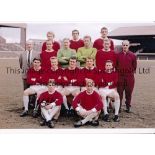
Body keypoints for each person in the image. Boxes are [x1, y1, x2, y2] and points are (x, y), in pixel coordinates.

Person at [116, 40, 137, 113]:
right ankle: (118, 107)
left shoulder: (133, 55)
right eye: (124, 45)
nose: (125, 46)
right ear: (122, 45)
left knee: (129, 93)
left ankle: (128, 106)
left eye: (126, 45)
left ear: (129, 46)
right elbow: (116, 66)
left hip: (129, 77)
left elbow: (134, 67)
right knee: (119, 93)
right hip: (120, 77)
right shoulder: (118, 55)